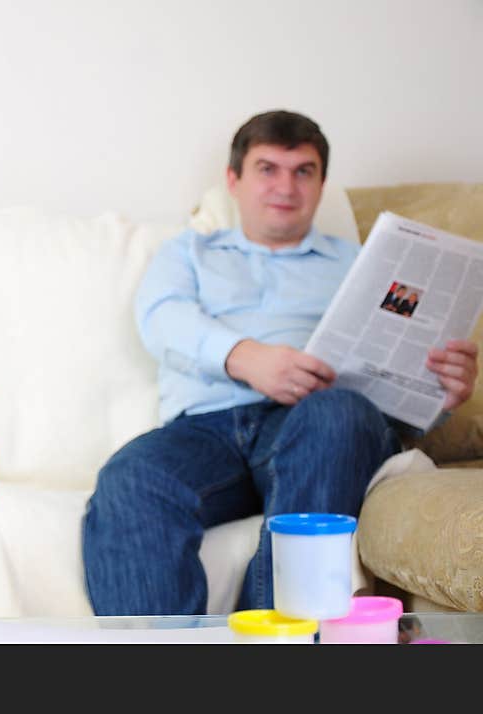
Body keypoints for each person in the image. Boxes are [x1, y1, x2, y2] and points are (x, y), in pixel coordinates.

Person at [81, 110, 479, 616]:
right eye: (268, 168)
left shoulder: (361, 263)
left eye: (303, 171)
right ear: (234, 180)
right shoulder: (188, 253)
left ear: (321, 183)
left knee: (337, 414)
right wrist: (247, 358)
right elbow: (162, 318)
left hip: (319, 431)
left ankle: (274, 654)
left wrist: (438, 394)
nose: (285, 186)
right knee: (130, 478)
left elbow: (391, 377)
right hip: (207, 432)